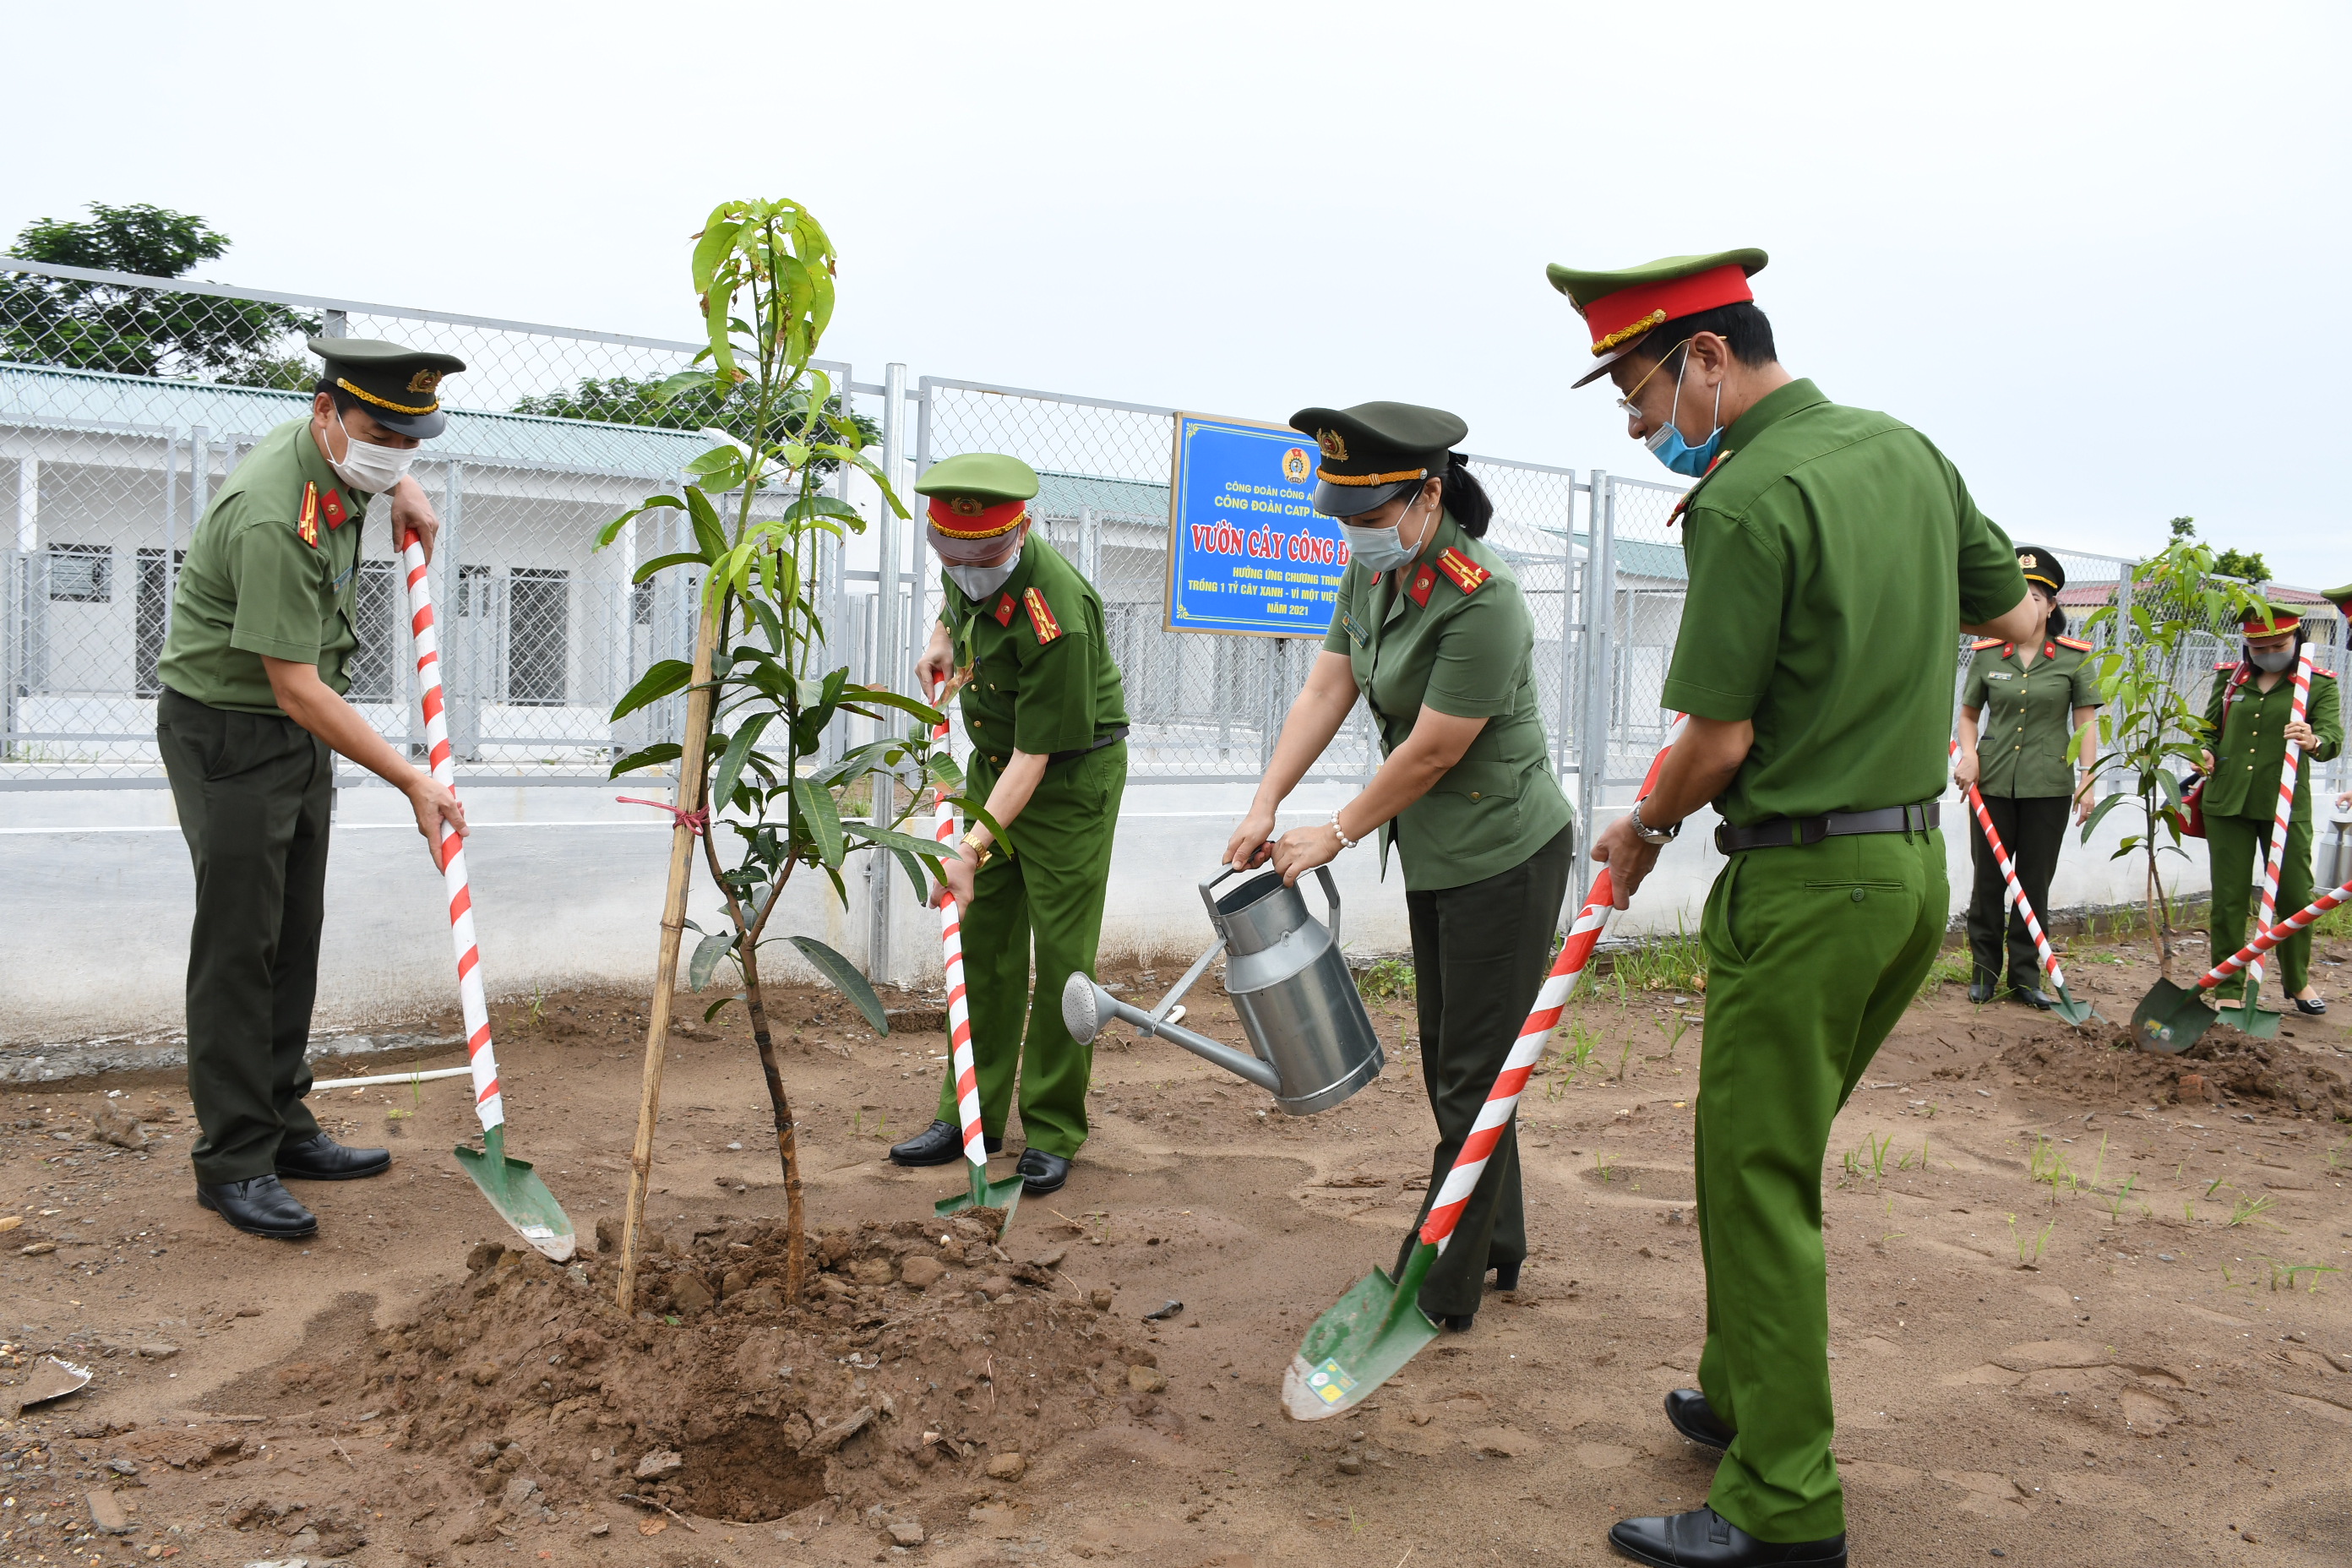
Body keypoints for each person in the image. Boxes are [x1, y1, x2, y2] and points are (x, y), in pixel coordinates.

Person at [1553, 248, 2040, 1568]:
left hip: (1811, 882)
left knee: (1755, 1172)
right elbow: (2015, 615)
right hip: (1910, 877)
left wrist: (1645, 827)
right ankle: (1739, 1391)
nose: (1640, 425)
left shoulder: (1746, 499)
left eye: (1642, 394)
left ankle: (1782, 1503)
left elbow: (1717, 740)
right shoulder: (1910, 454)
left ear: (1710, 357)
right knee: (1770, 1147)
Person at [1223, 401, 1575, 1335]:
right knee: (1459, 1059)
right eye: (1345, 518)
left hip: (1504, 854)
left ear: (1428, 495)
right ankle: (1497, 1236)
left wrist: (1334, 831)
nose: (1355, 534)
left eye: (1370, 516)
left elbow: (1434, 750)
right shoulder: (1376, 572)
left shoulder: (1484, 596)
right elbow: (1327, 686)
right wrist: (1265, 802)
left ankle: (1437, 1285)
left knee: (1472, 1075)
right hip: (1438, 852)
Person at [155, 336, 471, 1241]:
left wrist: (401, 484)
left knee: (292, 932)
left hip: (293, 728)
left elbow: (375, 462)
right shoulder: (273, 513)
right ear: (326, 409)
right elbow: (295, 684)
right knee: (239, 945)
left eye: (412, 441)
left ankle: (283, 1124)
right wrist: (410, 777)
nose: (395, 454)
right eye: (382, 436)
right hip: (232, 731)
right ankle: (233, 1160)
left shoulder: (337, 461)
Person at [889, 453, 1130, 1196]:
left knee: (1062, 960)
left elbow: (1037, 756)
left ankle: (1052, 1128)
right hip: (996, 767)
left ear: (1020, 532)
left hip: (1067, 783)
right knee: (983, 945)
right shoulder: (971, 560)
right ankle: (970, 1116)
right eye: (950, 556)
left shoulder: (1058, 613)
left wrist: (969, 847)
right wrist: (940, 634)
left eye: (982, 558)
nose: (966, 571)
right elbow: (957, 594)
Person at [1952, 546, 2100, 1006]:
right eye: (2018, 597)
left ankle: (2024, 977)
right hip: (1992, 782)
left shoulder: (2074, 658)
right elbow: (1969, 715)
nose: (2026, 605)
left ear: (2052, 605)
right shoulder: (1988, 654)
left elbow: (2086, 722)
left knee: (2033, 883)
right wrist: (1969, 755)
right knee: (1989, 881)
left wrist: (2088, 778)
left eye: (2034, 597)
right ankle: (1983, 972)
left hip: (2048, 785)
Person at [2196, 603, 2341, 1015]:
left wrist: (2312, 739)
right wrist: (2202, 750)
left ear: (2296, 640)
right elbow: (2207, 729)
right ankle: (2228, 983)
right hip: (2228, 801)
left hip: (2286, 803)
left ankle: (2297, 980)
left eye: (2279, 646)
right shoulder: (2231, 678)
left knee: (2295, 894)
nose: (2270, 654)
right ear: (2248, 646)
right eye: (2259, 648)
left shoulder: (2317, 683)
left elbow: (2332, 736)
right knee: (2229, 898)